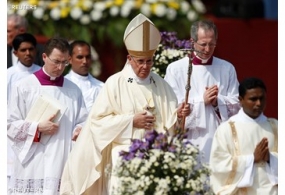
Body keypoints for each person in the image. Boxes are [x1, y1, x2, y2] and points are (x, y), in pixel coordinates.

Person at [60, 13, 190, 195]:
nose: (145, 66)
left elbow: (170, 123)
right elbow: (98, 122)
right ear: (130, 59)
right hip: (124, 154)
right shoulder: (115, 83)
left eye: (149, 61)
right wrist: (131, 121)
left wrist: (179, 115)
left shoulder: (161, 84)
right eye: (140, 61)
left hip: (156, 156)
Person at [7, 37, 88, 194]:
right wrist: (37, 128)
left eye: (64, 62)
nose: (60, 67)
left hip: (61, 160)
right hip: (32, 163)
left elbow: (83, 120)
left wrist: (79, 129)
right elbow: (9, 124)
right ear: (44, 57)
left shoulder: (73, 90)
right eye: (56, 61)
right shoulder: (24, 86)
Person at [164, 19, 240, 164]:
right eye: (203, 44)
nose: (207, 49)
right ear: (192, 42)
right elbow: (171, 107)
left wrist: (218, 101)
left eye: (212, 44)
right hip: (190, 139)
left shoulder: (227, 68)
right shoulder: (175, 69)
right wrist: (201, 101)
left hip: (220, 138)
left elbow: (238, 104)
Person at [209, 77, 278, 194]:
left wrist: (270, 159)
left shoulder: (276, 127)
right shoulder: (226, 129)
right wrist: (252, 159)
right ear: (240, 100)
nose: (259, 103)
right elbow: (218, 166)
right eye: (253, 99)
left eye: (262, 98)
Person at [7, 32, 41, 185]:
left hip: (41, 131)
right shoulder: (8, 76)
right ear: (15, 53)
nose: (28, 53)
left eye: (31, 49)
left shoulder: (42, 73)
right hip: (14, 132)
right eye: (23, 50)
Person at [65, 40, 104, 112]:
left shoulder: (101, 87)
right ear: (70, 59)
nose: (85, 61)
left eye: (88, 57)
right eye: (80, 57)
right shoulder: (63, 85)